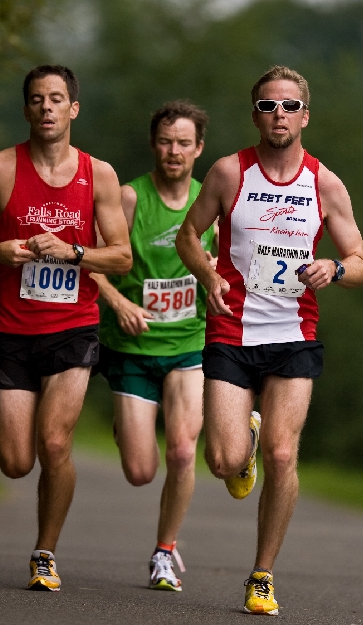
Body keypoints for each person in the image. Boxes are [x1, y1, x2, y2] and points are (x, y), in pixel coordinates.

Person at [175, 65, 363, 615]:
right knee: (222, 459)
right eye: (267, 105)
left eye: (288, 106)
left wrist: (333, 268)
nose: (278, 115)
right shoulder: (227, 173)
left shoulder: (323, 183)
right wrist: (208, 276)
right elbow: (189, 235)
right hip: (232, 331)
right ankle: (244, 440)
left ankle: (262, 575)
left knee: (285, 454)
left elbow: (362, 264)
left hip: (294, 334)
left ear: (305, 116)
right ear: (255, 114)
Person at [0, 65, 132, 592]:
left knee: (54, 444)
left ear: (73, 109)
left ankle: (45, 552)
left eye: (56, 99)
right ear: (26, 109)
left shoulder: (99, 175)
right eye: (36, 99)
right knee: (14, 462)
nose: (46, 107)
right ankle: (38, 522)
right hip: (8, 329)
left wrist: (75, 252)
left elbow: (120, 258)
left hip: (72, 326)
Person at [91, 100, 216, 591]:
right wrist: (119, 301)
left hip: (189, 342)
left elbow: (229, 270)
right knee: (141, 471)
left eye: (184, 143)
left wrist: (212, 275)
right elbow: (93, 261)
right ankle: (130, 429)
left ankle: (165, 551)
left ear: (199, 149)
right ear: (153, 144)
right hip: (132, 345)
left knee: (183, 452)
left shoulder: (211, 201)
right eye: (166, 141)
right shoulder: (129, 199)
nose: (174, 151)